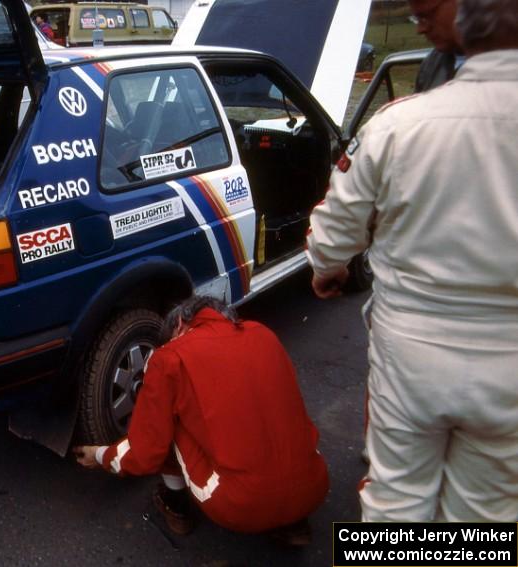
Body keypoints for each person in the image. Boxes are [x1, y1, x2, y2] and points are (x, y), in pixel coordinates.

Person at [306, 0, 518, 522]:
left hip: (412, 350)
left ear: (467, 26)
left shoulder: (397, 125)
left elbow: (335, 230)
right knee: (487, 512)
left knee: (396, 498)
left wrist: (327, 269)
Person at [73, 296, 328, 543]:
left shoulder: (169, 358)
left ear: (180, 324)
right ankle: (294, 523)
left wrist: (100, 455)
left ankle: (177, 506)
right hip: (315, 488)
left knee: (166, 422)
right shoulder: (263, 333)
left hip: (239, 505)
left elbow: (146, 452)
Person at [409, 0, 465, 92]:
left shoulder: (495, 67)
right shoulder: (430, 65)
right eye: (416, 19)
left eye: (426, 15)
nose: (420, 29)